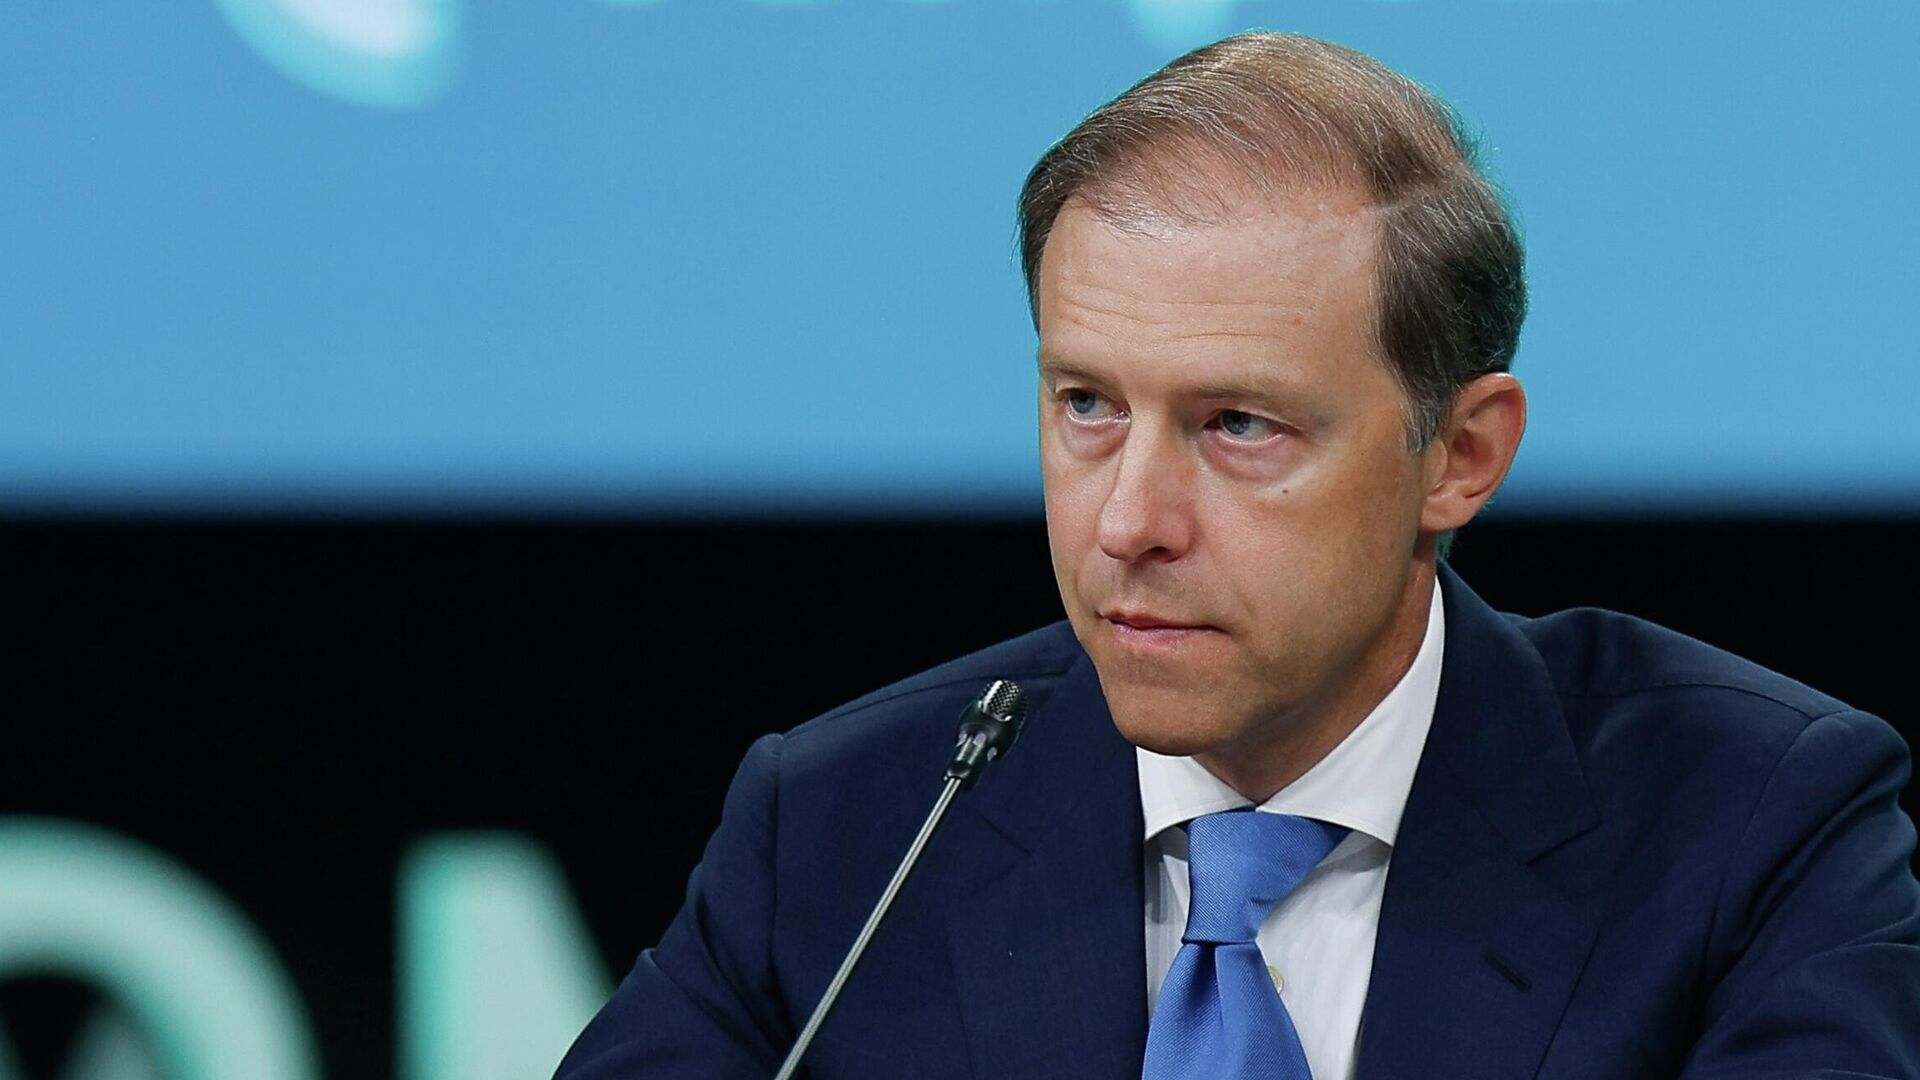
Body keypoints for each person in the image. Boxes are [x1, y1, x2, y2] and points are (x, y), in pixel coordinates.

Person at [554, 31, 1920, 1080]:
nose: (1127, 521)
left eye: (1239, 425)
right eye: (1087, 405)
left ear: (1460, 454)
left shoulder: (1750, 825)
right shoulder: (851, 829)